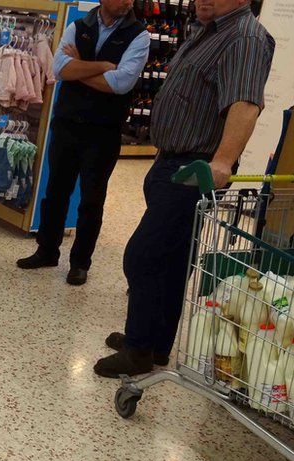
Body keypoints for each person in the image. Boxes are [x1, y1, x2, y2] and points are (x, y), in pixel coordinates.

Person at [94, 0, 274, 378]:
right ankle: (155, 343)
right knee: (172, 261)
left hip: (196, 166)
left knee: (143, 256)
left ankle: (138, 350)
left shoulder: (244, 37)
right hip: (172, 161)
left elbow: (245, 103)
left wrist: (223, 161)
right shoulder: (209, 30)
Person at [15, 0, 149, 286]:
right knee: (55, 192)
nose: (128, 2)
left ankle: (80, 263)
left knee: (92, 199)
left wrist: (80, 68)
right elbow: (60, 69)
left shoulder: (139, 34)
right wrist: (102, 66)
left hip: (104, 131)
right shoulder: (78, 26)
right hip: (67, 124)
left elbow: (121, 83)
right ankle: (47, 250)